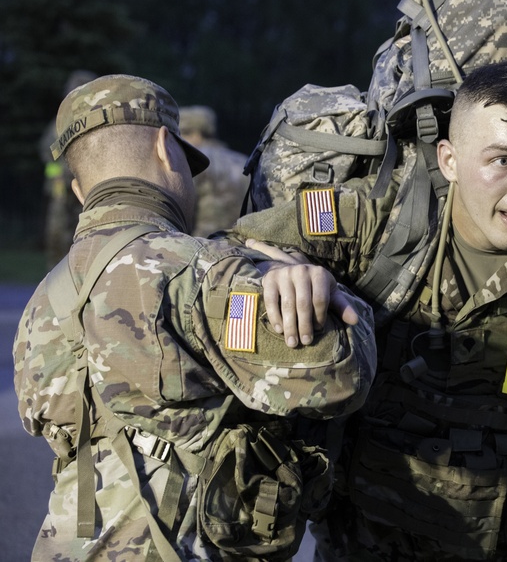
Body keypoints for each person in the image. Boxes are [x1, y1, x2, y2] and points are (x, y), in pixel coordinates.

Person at [232, 61, 507, 561]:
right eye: (502, 160)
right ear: (449, 159)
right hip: (363, 536)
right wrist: (279, 268)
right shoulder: (377, 221)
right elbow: (233, 247)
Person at [13, 74, 378, 561]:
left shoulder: (43, 297)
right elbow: (341, 374)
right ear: (167, 150)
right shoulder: (199, 272)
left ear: (79, 190)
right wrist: (321, 284)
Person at [39, 69, 97, 267]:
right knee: (57, 234)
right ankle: (55, 275)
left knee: (87, 232)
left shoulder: (96, 121)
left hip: (88, 187)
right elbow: (48, 154)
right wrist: (56, 180)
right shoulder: (59, 123)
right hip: (62, 189)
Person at [178, 104, 250, 236]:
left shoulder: (192, 162)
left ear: (196, 135)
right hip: (246, 246)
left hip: (203, 247)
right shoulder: (244, 161)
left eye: (181, 133)